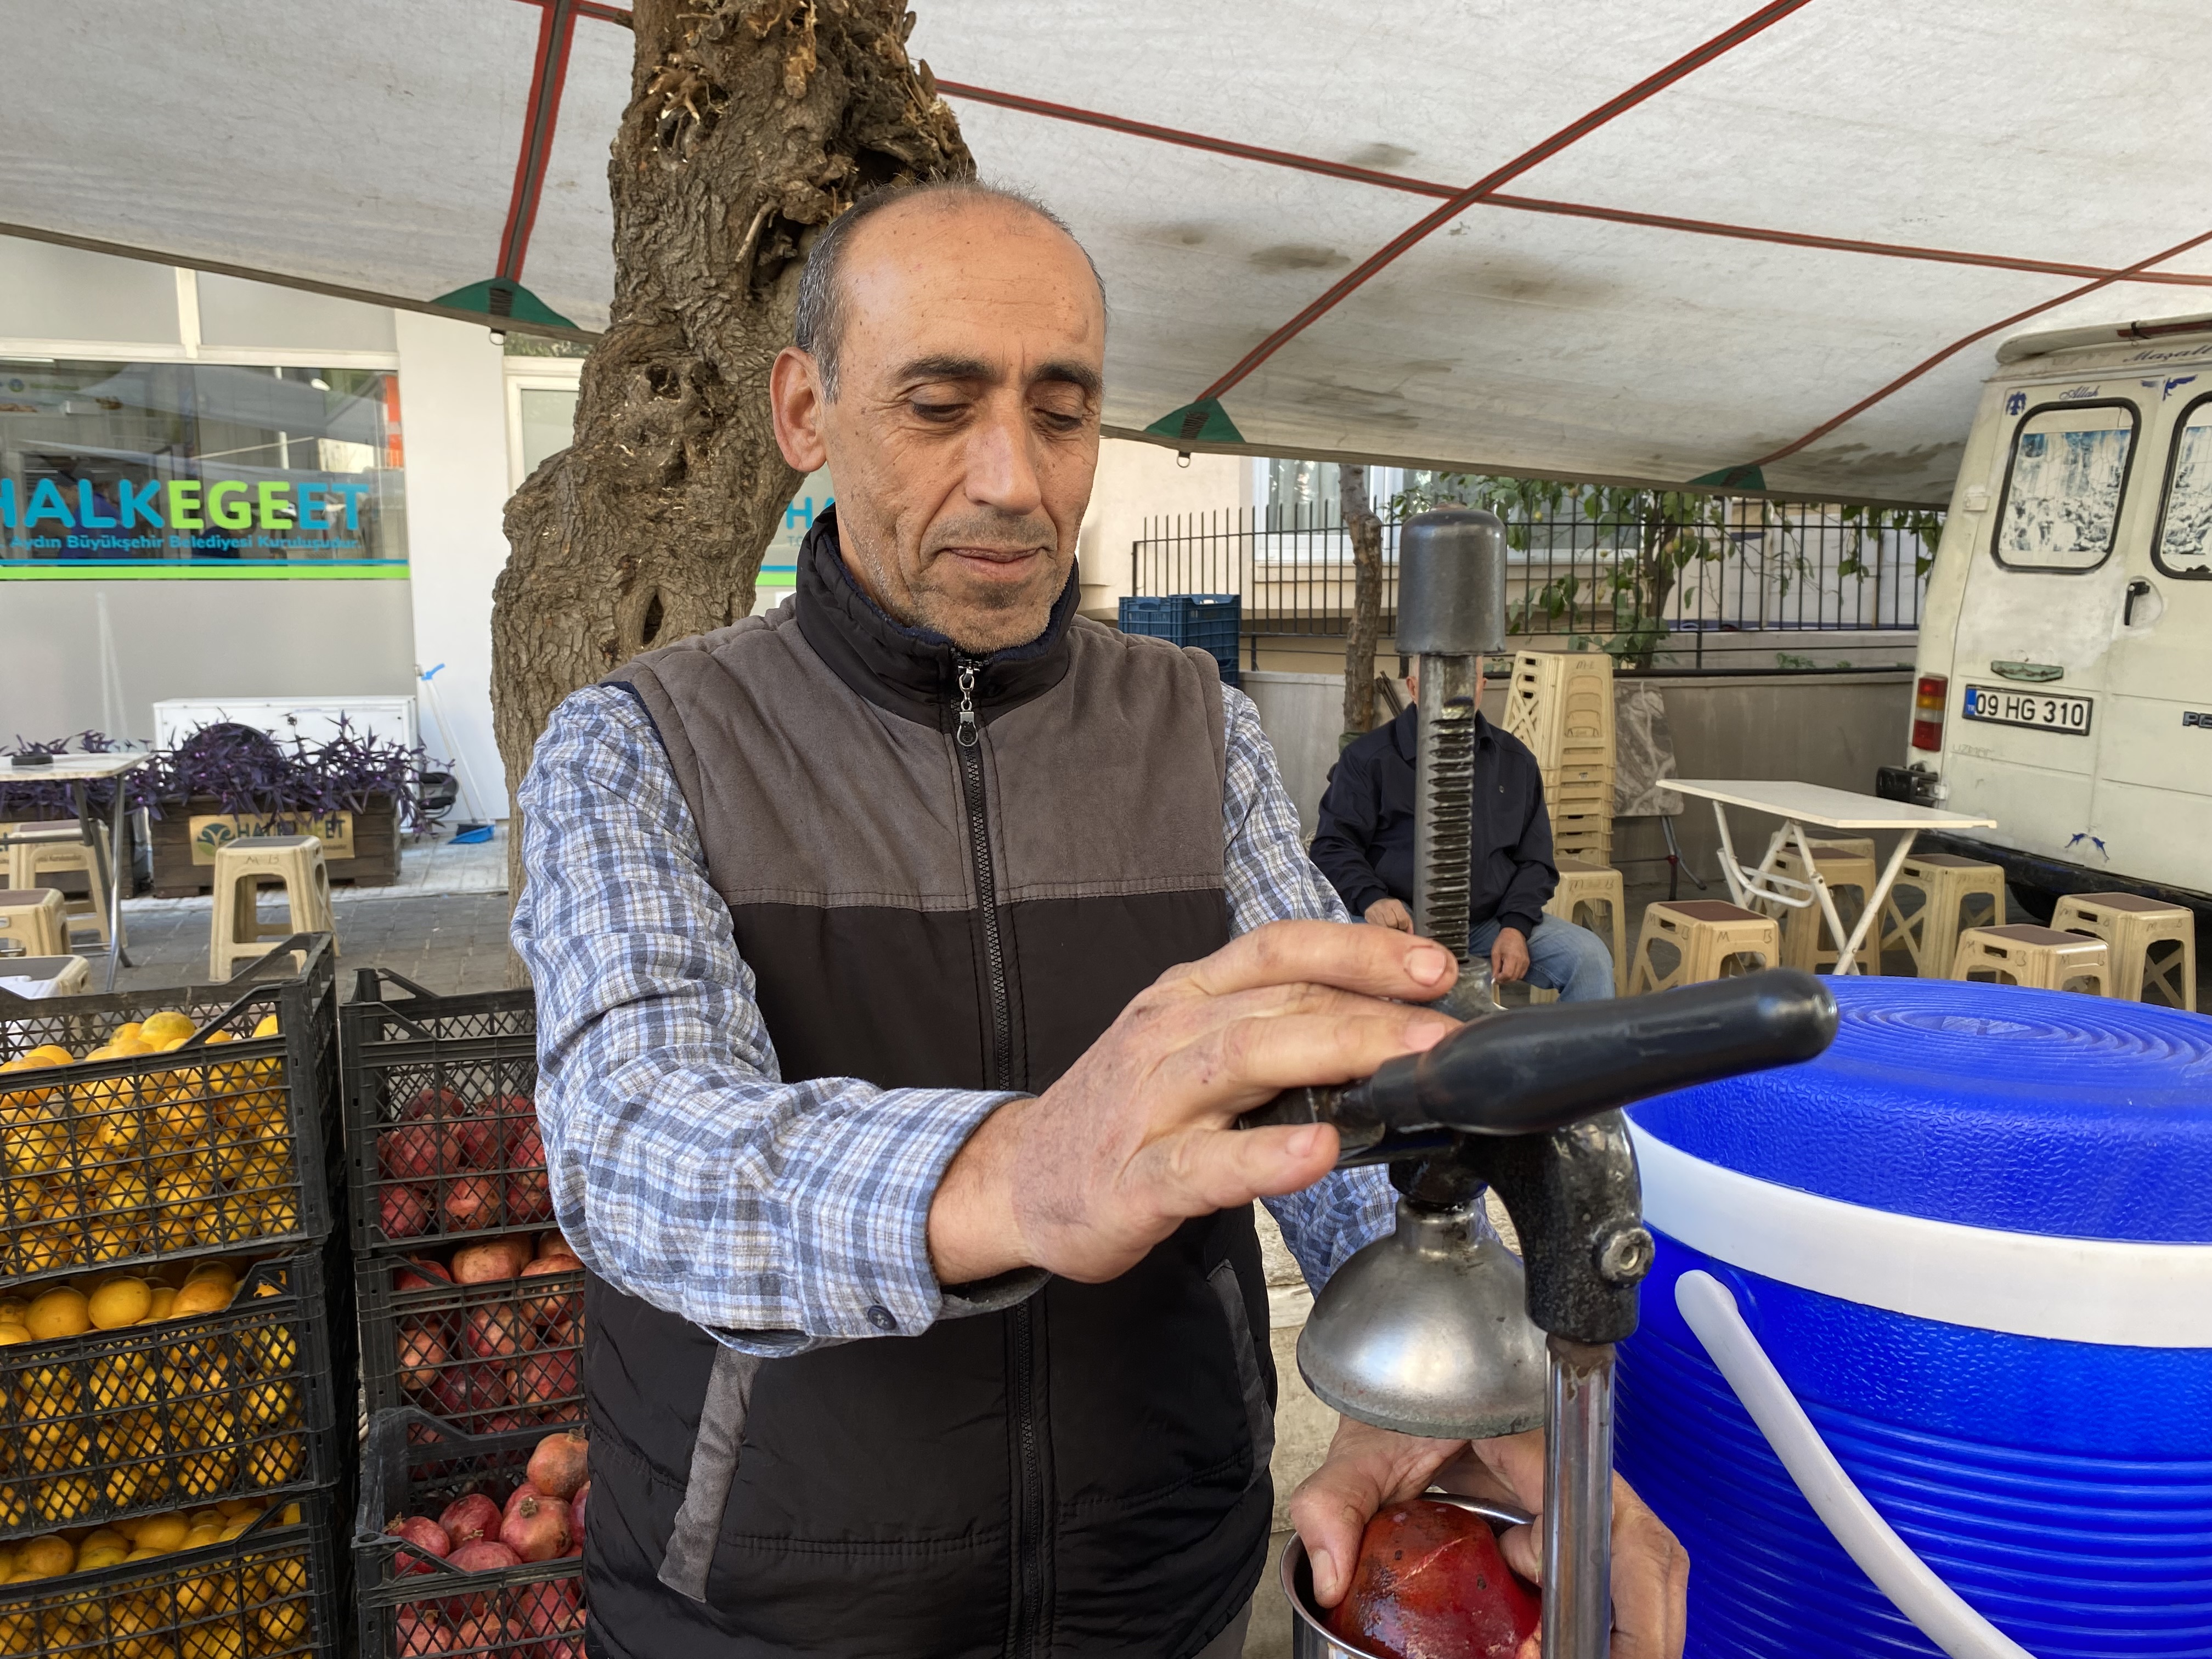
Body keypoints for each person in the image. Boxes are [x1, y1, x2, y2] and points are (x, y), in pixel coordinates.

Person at [513, 180, 1685, 1659]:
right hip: (773, 1607)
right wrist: (1020, 1171)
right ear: (806, 411)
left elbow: (1328, 1112)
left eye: (1061, 413)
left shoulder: (1198, 727)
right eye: (941, 405)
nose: (1012, 476)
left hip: (1165, 1582)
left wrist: (1453, 1390)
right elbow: (633, 1148)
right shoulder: (641, 742)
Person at [1310, 668, 1619, 1002]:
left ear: (1482, 686)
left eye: (1467, 677)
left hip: (1488, 921)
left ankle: (1579, 1054)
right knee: (1415, 984)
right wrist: (1372, 898)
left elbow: (1535, 861)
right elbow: (1332, 846)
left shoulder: (1516, 762)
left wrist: (1516, 926)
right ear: (1414, 687)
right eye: (1439, 676)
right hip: (1403, 923)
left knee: (1590, 957)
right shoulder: (1368, 759)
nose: (1455, 689)